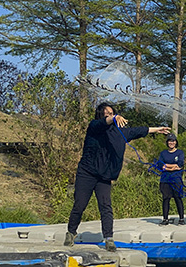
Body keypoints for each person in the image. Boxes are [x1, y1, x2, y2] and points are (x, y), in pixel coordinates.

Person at [65, 102, 170, 251]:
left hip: (104, 176)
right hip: (87, 173)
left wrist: (156, 129)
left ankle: (108, 238)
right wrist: (112, 118)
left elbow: (138, 131)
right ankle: (71, 232)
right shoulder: (94, 127)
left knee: (105, 206)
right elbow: (104, 122)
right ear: (101, 115)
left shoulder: (120, 132)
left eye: (111, 112)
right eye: (106, 113)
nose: (109, 115)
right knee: (79, 204)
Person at [158, 133, 185, 225]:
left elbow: (180, 165)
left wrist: (167, 166)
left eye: (173, 141)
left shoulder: (180, 153)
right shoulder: (163, 153)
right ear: (167, 142)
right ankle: (165, 219)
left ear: (176, 142)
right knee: (166, 198)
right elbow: (161, 165)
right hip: (165, 179)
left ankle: (181, 218)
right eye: (169, 141)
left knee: (178, 198)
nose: (171, 143)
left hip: (176, 179)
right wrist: (172, 167)